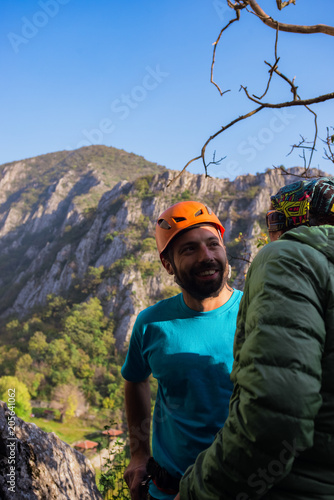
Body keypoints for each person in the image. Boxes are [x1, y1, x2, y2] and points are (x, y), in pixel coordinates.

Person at [177, 177, 334, 499]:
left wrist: (198, 489)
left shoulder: (289, 256)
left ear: (291, 220)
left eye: (273, 221)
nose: (270, 234)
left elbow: (275, 416)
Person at [121, 200, 243, 500]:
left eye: (213, 244)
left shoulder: (255, 311)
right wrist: (139, 453)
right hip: (168, 485)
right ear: (168, 264)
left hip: (242, 484)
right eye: (189, 249)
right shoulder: (152, 323)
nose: (207, 256)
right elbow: (135, 378)